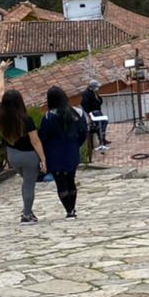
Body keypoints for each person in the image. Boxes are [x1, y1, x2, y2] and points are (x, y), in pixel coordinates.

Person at [0, 62, 47, 225]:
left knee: (26, 182)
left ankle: (29, 211)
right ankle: (26, 214)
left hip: (13, 156)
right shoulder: (26, 119)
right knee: (29, 184)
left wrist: (1, 71)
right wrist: (43, 159)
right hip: (29, 156)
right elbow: (35, 141)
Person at [38, 86, 88, 218]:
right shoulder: (77, 113)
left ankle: (69, 210)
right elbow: (84, 133)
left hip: (54, 154)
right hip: (72, 152)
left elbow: (43, 136)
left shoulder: (48, 117)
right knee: (71, 180)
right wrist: (76, 145)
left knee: (61, 182)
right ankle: (73, 207)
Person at [80, 79, 110, 150]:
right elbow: (84, 104)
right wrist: (89, 113)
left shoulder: (94, 92)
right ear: (92, 87)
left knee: (103, 123)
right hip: (94, 112)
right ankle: (101, 139)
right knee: (101, 124)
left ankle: (102, 139)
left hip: (98, 110)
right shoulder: (86, 94)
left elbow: (98, 100)